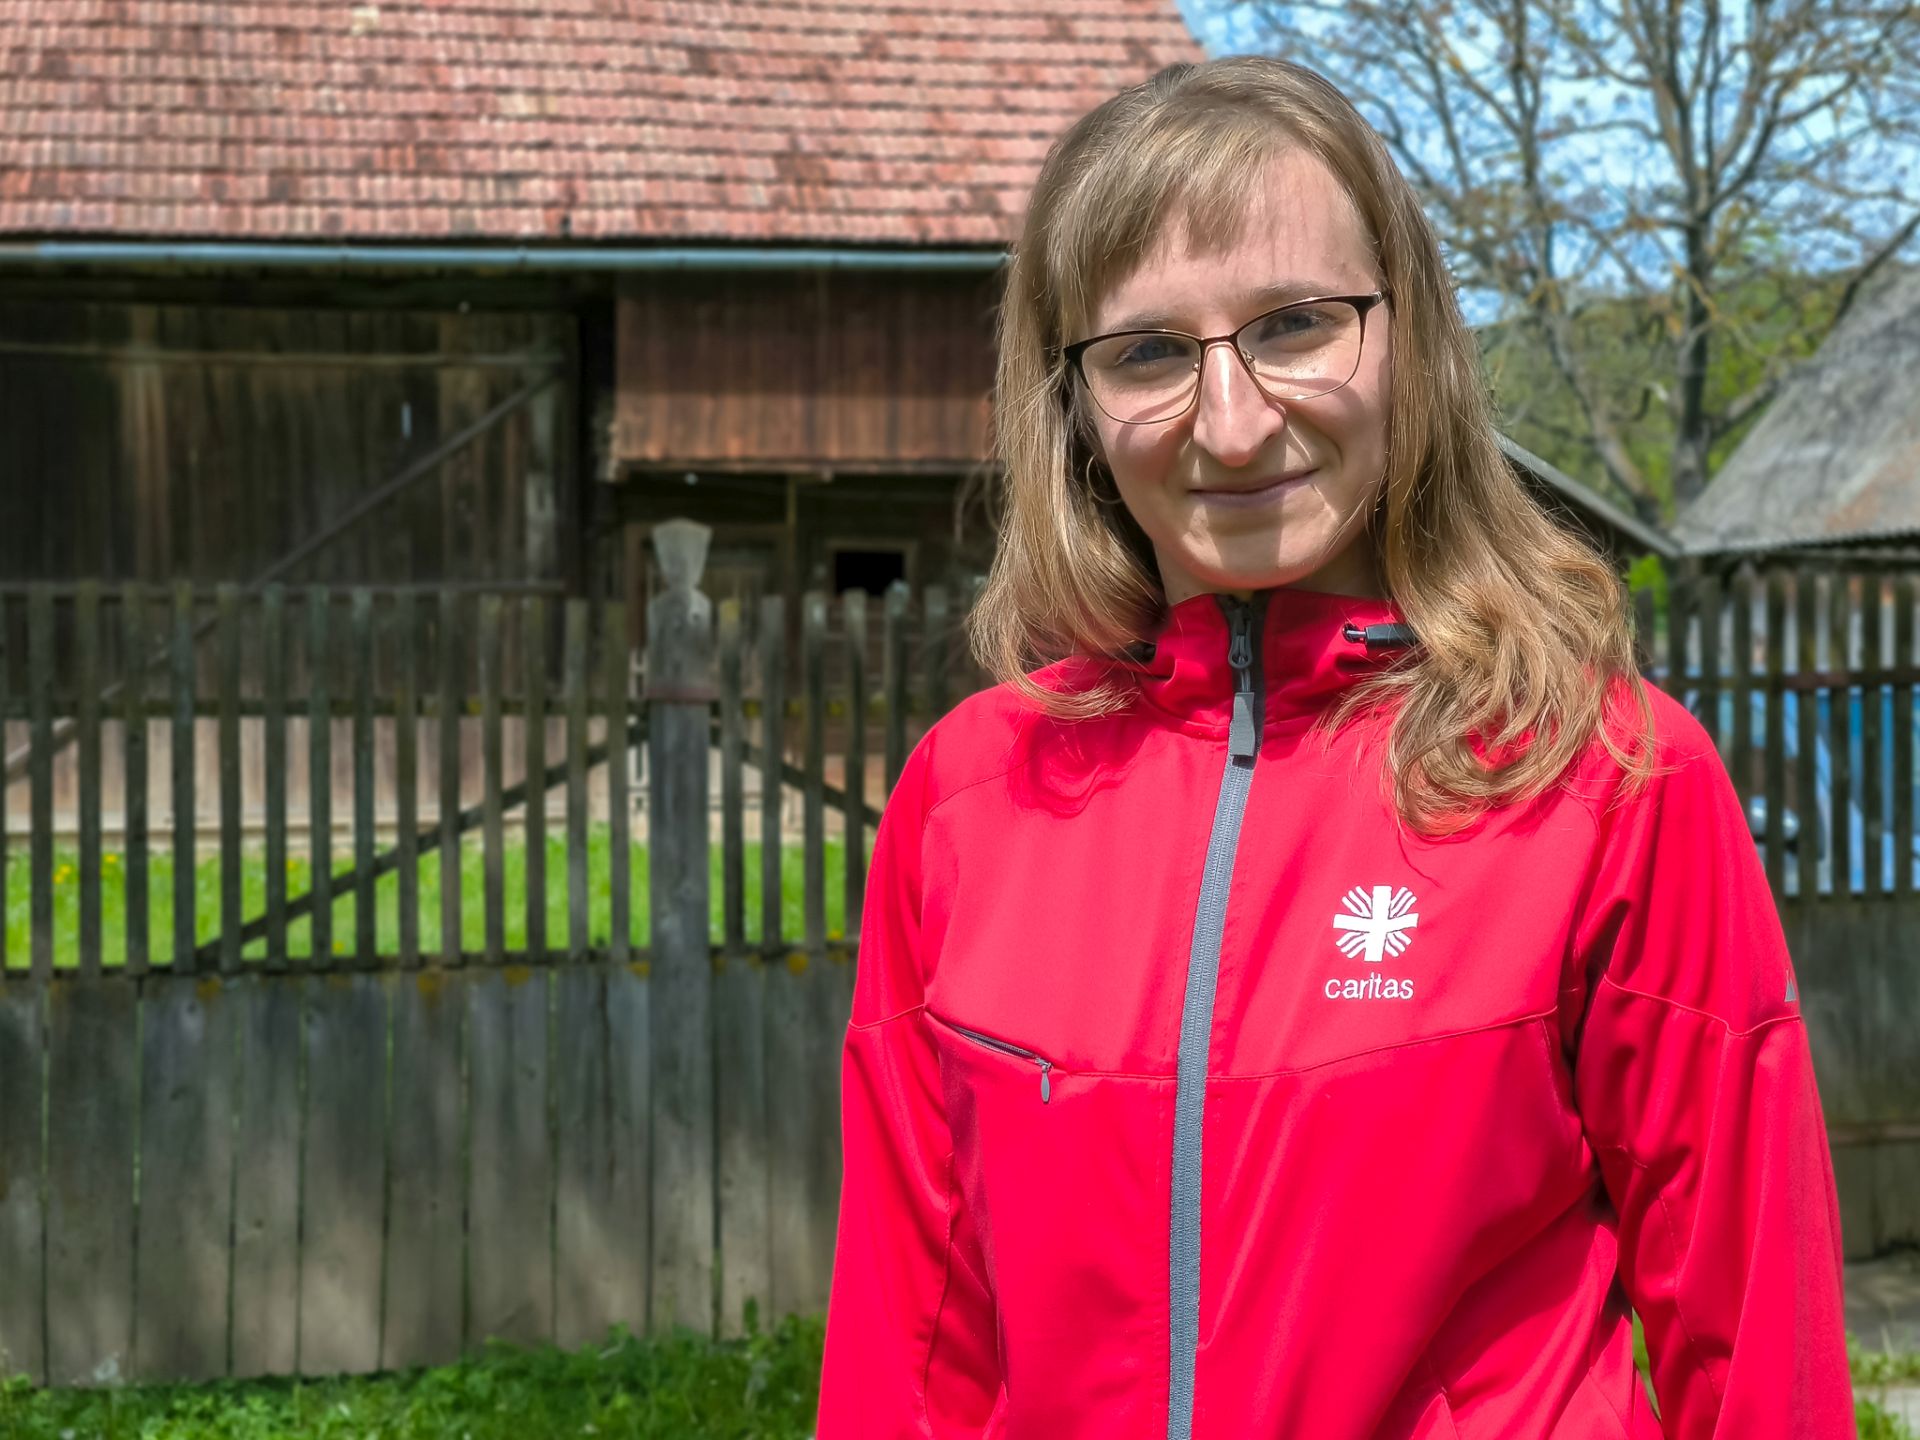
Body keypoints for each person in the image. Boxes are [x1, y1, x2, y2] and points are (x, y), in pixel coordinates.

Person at [815, 55, 1852, 1439]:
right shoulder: (967, 800)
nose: (1234, 422)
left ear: (1408, 338)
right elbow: (909, 1354)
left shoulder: (1602, 774)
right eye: (1147, 353)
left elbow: (1758, 1345)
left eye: (1298, 324)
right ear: (1069, 403)